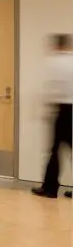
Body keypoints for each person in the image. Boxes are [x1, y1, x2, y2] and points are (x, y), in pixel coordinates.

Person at [32, 34, 73, 199]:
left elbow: (52, 88)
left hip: (63, 110)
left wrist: (47, 109)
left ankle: (50, 188)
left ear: (57, 46)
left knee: (55, 150)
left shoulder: (54, 62)